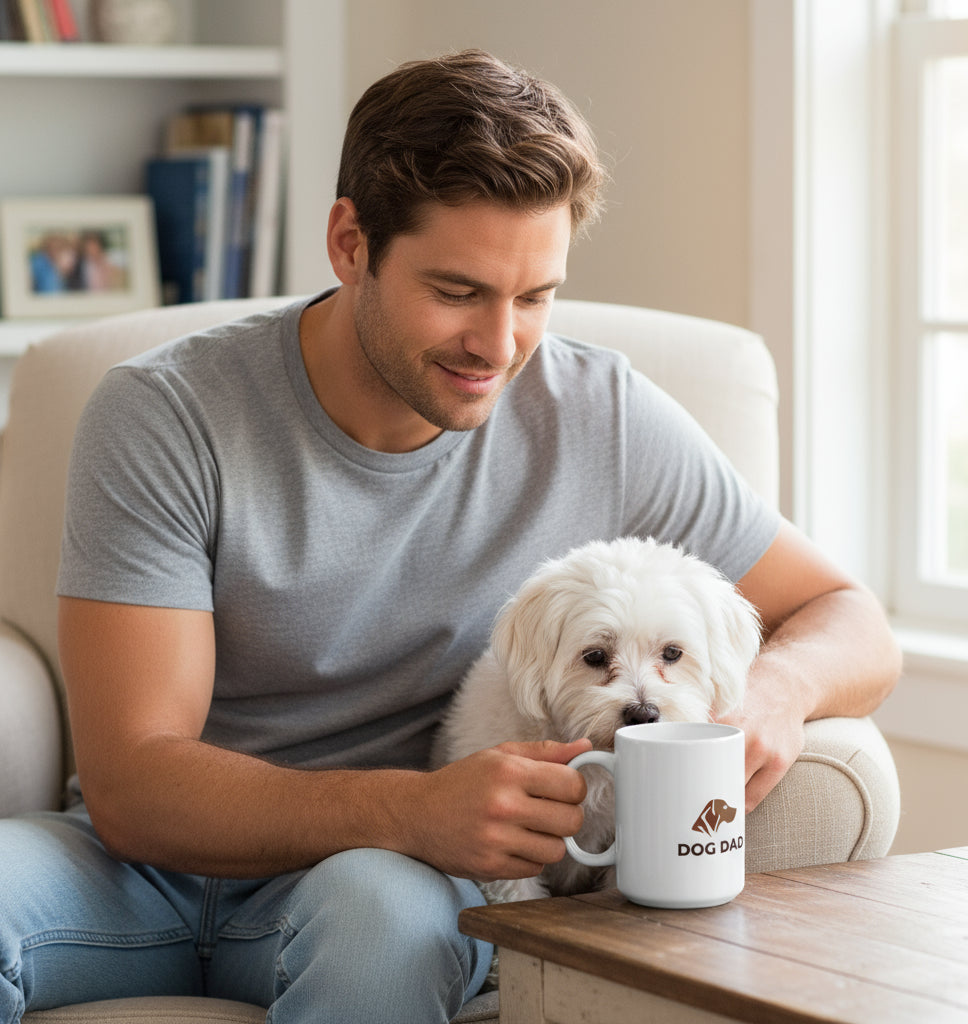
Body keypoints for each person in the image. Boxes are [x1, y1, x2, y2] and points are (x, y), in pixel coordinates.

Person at [0, 49, 900, 1024]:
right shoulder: (166, 413)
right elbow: (134, 785)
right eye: (459, 291)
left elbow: (850, 618)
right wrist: (413, 807)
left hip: (378, 878)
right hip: (135, 875)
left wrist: (772, 693)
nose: (499, 344)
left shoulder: (602, 415)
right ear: (350, 243)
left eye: (535, 296)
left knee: (387, 933)